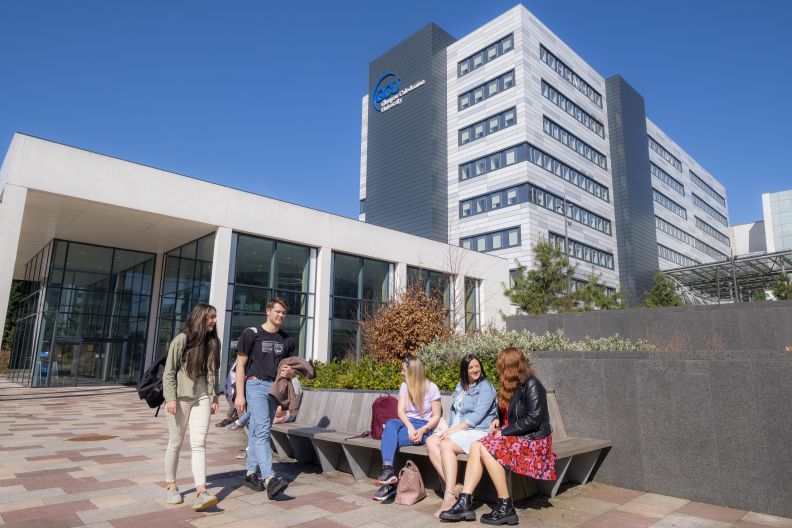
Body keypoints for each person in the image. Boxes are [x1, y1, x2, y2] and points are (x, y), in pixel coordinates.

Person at [440, 348, 556, 525]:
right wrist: (496, 420)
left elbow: (533, 419)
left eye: (501, 366)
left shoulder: (532, 384)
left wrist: (504, 431)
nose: (498, 369)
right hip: (516, 437)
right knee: (477, 445)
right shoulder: (511, 385)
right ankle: (465, 501)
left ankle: (505, 505)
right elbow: (506, 413)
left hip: (534, 441)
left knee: (486, 447)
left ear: (511, 366)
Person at [162, 303, 221, 511]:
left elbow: (214, 371)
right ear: (200, 318)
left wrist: (215, 395)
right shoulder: (181, 340)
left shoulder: (213, 342)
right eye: (211, 317)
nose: (214, 320)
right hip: (180, 397)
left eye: (215, 317)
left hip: (202, 396)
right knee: (175, 442)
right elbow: (169, 372)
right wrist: (170, 398)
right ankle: (170, 485)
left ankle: (201, 490)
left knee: (199, 443)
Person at [234, 297, 294, 499]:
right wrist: (240, 395)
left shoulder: (287, 340)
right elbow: (240, 365)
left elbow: (291, 370)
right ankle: (270, 478)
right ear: (268, 311)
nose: (281, 315)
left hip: (274, 388)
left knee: (260, 431)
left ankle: (251, 473)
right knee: (261, 433)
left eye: (283, 313)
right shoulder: (252, 334)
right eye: (277, 311)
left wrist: (289, 373)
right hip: (255, 385)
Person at [426, 354, 496, 517]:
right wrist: (448, 428)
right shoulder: (461, 386)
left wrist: (452, 431)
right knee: (431, 441)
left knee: (445, 444)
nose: (475, 370)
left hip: (478, 430)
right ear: (465, 370)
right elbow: (455, 412)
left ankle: (449, 496)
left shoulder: (486, 386)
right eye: (471, 367)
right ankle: (457, 487)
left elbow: (477, 417)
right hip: (459, 430)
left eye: (477, 366)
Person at [373, 357, 442, 502]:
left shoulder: (432, 388)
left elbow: (436, 416)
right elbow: (400, 411)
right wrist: (409, 427)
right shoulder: (405, 386)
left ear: (413, 372)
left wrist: (422, 430)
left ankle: (391, 485)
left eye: (404, 370)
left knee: (390, 439)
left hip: (424, 427)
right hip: (407, 423)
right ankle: (388, 470)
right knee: (391, 423)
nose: (401, 373)